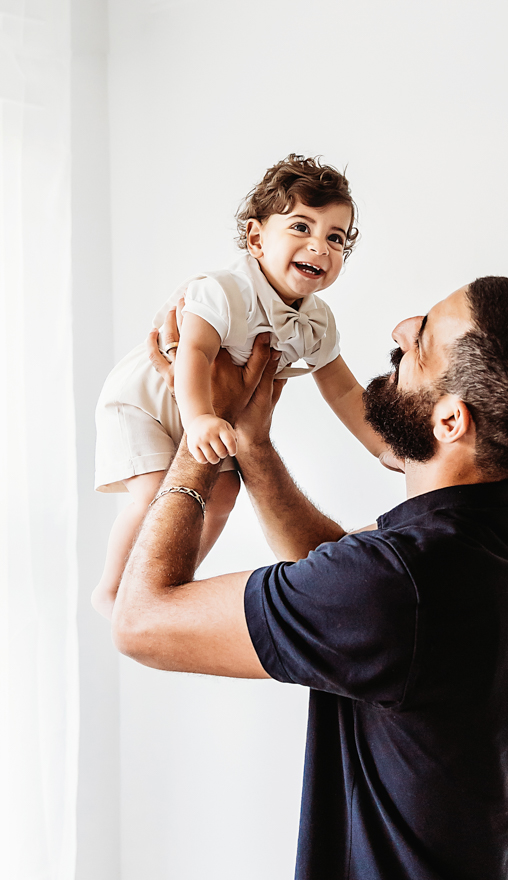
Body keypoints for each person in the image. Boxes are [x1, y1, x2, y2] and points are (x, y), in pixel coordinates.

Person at [112, 276, 508, 880]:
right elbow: (342, 580)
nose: (401, 329)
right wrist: (249, 443)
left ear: (450, 422)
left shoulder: (395, 588)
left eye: (423, 340)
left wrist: (196, 440)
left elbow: (141, 623)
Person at [92, 154, 397, 619]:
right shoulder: (225, 291)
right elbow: (192, 353)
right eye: (301, 227)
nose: (319, 246)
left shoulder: (316, 322)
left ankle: (172, 578)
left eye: (334, 237)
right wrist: (198, 418)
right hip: (147, 401)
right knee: (155, 491)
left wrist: (384, 447)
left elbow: (342, 391)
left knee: (223, 496)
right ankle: (115, 590)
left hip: (212, 413)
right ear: (256, 238)